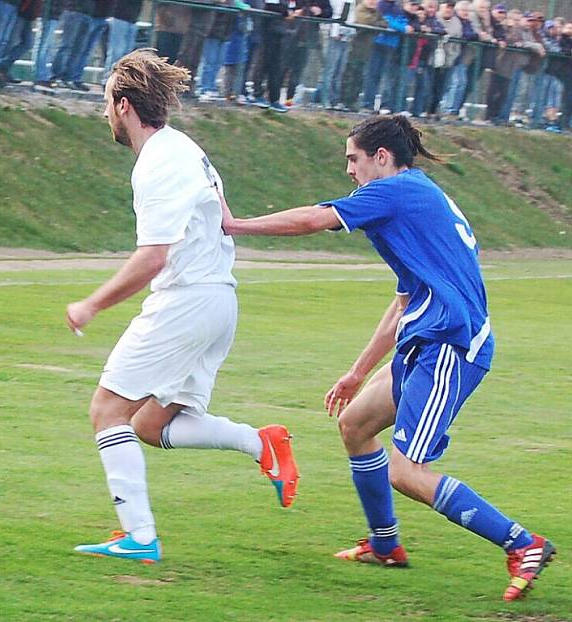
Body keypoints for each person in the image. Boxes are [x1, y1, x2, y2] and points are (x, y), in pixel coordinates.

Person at [220, 114, 556, 601]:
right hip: (426, 340)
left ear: (382, 157)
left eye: (353, 159)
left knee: (406, 472)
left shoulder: (396, 192)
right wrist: (358, 371)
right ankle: (385, 545)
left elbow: (317, 218)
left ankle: (522, 543)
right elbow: (403, 302)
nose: (350, 172)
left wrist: (235, 225)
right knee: (355, 425)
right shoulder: (415, 198)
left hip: (451, 346)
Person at [66, 48, 300, 563]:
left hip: (187, 301)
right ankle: (261, 444)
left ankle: (140, 538)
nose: (104, 112)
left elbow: (153, 258)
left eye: (106, 102)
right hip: (218, 300)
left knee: (108, 410)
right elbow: (221, 214)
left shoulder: (157, 164)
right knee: (150, 425)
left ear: (124, 105)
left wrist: (92, 305)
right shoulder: (186, 149)